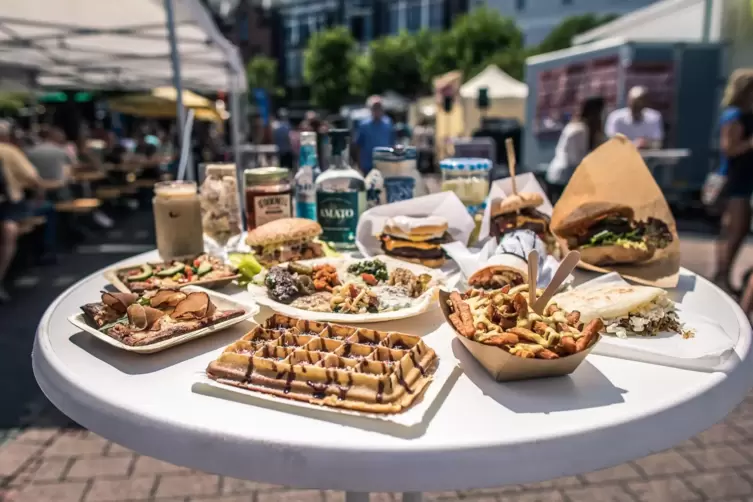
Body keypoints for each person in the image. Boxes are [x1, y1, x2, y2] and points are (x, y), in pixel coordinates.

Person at [714, 70, 753, 296]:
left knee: (737, 230)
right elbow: (729, 149)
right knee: (734, 231)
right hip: (734, 181)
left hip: (744, 180)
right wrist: (750, 144)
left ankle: (724, 275)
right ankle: (722, 276)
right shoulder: (734, 116)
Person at [0, 120, 46, 301]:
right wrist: (39, 194)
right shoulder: (9, 151)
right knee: (8, 235)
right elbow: (33, 177)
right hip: (9, 209)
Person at [547, 96, 606, 203]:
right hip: (563, 177)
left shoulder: (582, 128)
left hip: (566, 176)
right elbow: (576, 159)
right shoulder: (579, 130)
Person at [25, 127, 74, 199]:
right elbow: (68, 172)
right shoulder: (62, 151)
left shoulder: (30, 152)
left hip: (37, 192)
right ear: (57, 138)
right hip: (59, 191)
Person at [354, 96, 395, 175]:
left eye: (379, 107)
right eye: (375, 107)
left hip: (385, 163)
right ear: (370, 109)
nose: (377, 110)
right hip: (368, 165)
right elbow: (358, 145)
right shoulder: (364, 125)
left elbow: (392, 143)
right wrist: (359, 164)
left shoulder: (388, 123)